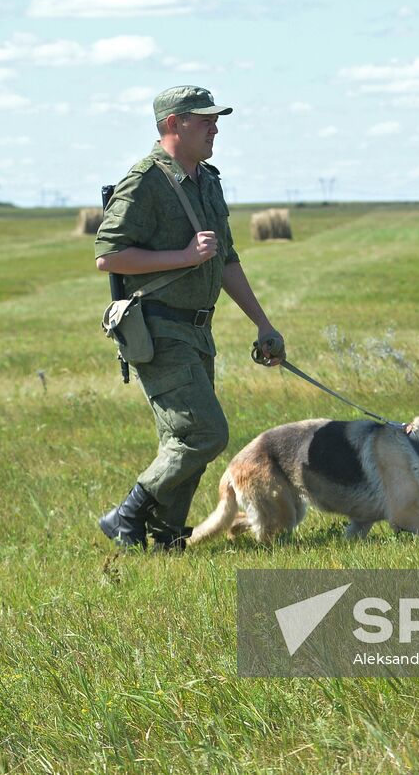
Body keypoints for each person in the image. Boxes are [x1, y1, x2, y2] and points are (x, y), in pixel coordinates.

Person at [94, 86, 285, 550]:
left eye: (215, 119)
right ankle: (128, 513)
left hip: (198, 329)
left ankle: (166, 538)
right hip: (157, 326)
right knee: (205, 432)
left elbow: (226, 260)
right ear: (174, 123)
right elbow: (109, 255)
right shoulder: (144, 180)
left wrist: (263, 324)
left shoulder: (208, 180)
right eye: (205, 120)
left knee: (182, 439)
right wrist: (181, 256)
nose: (215, 127)